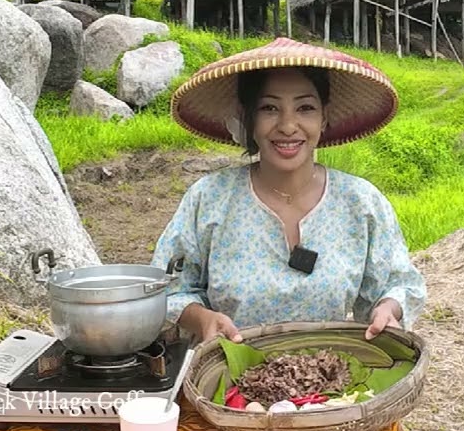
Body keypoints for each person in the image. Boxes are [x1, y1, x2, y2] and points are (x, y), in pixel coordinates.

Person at [149, 37, 426, 344]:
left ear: (325, 118)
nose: (288, 125)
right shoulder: (210, 199)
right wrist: (203, 318)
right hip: (230, 377)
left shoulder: (361, 202)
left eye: (305, 108)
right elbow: (167, 289)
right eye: (269, 108)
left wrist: (389, 309)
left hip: (336, 379)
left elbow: (398, 283)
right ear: (248, 118)